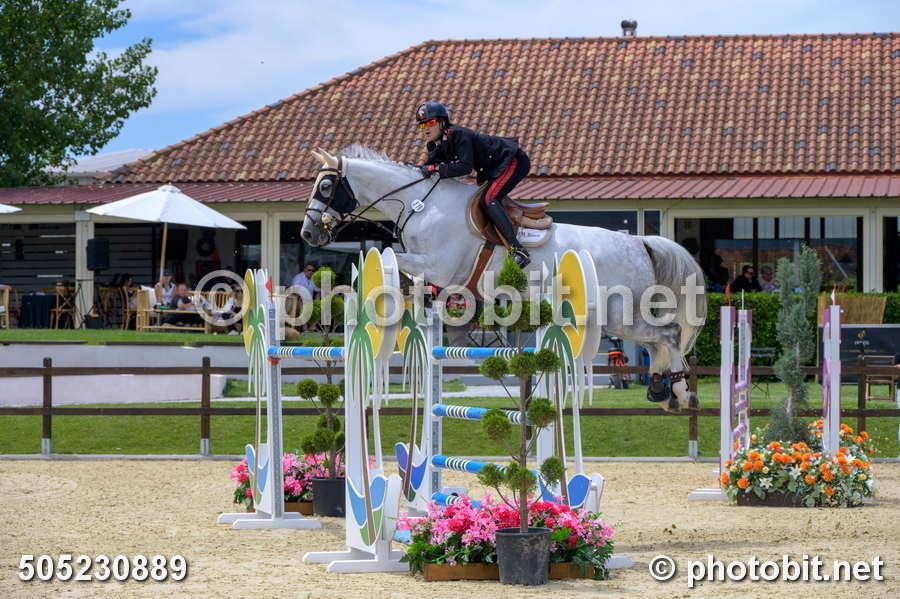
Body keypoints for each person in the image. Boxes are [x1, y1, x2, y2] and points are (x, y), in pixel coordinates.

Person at [415, 101, 532, 267]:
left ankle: (518, 250)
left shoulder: (458, 134)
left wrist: (435, 168)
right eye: (422, 125)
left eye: (430, 122)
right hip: (494, 168)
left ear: (442, 122)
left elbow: (465, 167)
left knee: (488, 199)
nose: (426, 128)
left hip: (512, 160)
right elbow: (426, 169)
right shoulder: (434, 145)